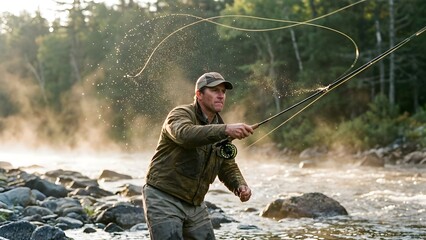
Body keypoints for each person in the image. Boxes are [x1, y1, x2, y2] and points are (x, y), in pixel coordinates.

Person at [142, 72, 254, 239]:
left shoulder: (220, 127)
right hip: (163, 198)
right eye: (215, 90)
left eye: (223, 91)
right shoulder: (179, 114)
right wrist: (225, 130)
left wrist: (240, 186)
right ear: (199, 94)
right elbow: (184, 135)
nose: (221, 95)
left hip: (195, 204)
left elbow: (226, 165)